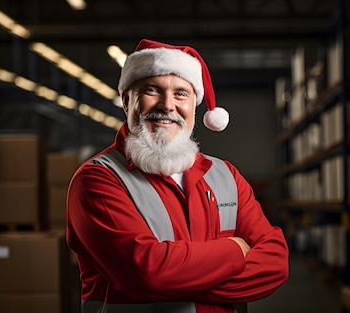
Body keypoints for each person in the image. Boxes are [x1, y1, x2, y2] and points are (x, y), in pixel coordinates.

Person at [66, 39, 289, 313]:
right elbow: (146, 273)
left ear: (195, 106)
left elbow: (275, 262)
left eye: (181, 94)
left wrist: (177, 279)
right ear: (126, 101)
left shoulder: (226, 176)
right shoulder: (97, 180)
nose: (167, 105)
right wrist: (234, 250)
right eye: (151, 90)